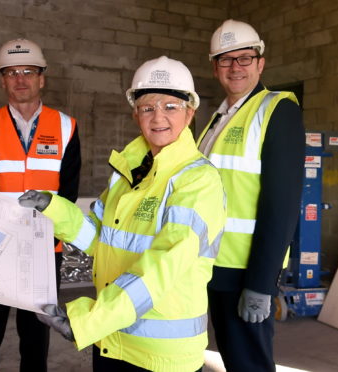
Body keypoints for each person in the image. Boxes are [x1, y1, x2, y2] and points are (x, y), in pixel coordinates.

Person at [18, 56, 226, 372]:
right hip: (112, 343)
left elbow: (164, 267)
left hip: (161, 357)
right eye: (147, 108)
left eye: (170, 106)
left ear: (190, 113)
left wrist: (91, 321)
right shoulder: (129, 174)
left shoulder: (198, 180)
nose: (158, 117)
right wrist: (53, 207)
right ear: (135, 114)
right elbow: (97, 238)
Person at [0, 38, 81, 372]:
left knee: (35, 339)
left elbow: (68, 194)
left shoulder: (66, 127)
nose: (20, 79)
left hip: (44, 249)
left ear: (42, 78)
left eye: (28, 71)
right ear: (2, 80)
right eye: (12, 72)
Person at [197, 20, 305, 372]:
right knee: (231, 357)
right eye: (226, 60)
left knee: (250, 364)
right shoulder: (218, 117)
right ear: (215, 68)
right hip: (211, 264)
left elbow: (282, 204)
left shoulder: (277, 110)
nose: (236, 67)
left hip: (244, 270)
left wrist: (261, 283)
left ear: (260, 62)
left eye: (244, 58)